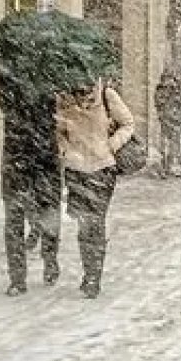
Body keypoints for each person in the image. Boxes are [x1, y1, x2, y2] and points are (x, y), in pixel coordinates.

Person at [54, 78, 135, 299]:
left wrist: (111, 144)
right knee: (83, 224)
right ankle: (88, 270)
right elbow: (58, 131)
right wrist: (65, 150)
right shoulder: (64, 99)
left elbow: (128, 124)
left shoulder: (107, 95)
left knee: (95, 222)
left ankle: (93, 277)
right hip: (77, 170)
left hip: (102, 169)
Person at [0, 68, 62, 296]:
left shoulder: (54, 75)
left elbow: (59, 111)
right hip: (20, 159)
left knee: (47, 213)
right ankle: (18, 277)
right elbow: (4, 104)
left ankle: (49, 259)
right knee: (16, 218)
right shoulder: (8, 75)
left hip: (41, 159)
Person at [154, 69, 181, 178]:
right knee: (165, 147)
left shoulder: (177, 90)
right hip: (165, 121)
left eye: (171, 79)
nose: (170, 82)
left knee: (174, 147)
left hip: (175, 122)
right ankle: (168, 168)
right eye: (167, 79)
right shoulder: (161, 90)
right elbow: (159, 105)